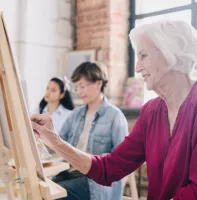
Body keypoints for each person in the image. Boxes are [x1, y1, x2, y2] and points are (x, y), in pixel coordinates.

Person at [31, 20, 197, 200]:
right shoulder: (151, 112)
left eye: (143, 55)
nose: (137, 67)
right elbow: (109, 168)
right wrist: (53, 139)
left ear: (170, 53)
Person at [33, 62, 128, 200]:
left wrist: (88, 157)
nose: (79, 92)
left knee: (51, 195)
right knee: (40, 189)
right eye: (77, 87)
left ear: (98, 84)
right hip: (71, 172)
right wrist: (44, 134)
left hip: (94, 182)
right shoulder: (76, 114)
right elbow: (58, 145)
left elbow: (120, 162)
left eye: (82, 86)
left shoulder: (115, 116)